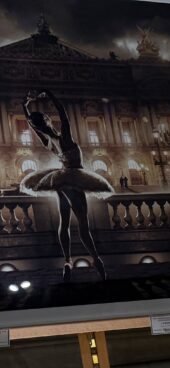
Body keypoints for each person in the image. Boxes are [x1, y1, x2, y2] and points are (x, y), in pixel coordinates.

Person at [21, 91, 114, 281]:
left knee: (64, 223)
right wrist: (49, 94)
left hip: (60, 180)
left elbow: (33, 126)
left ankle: (67, 261)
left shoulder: (48, 141)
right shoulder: (64, 137)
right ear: (47, 120)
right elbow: (63, 113)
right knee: (83, 224)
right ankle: (96, 260)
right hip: (73, 179)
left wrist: (25, 107)